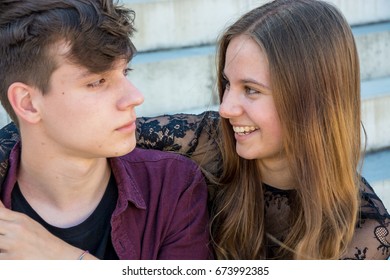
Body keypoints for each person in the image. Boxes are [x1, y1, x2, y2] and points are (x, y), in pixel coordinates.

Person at [0, 0, 389, 260]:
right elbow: (53, 135)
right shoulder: (207, 142)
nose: (225, 108)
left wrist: (64, 259)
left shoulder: (367, 233)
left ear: (312, 101)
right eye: (226, 84)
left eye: (251, 90)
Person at [0, 0, 210, 260]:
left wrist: (64, 259)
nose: (134, 97)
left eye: (125, 72)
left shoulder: (171, 185)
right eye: (97, 82)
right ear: (28, 103)